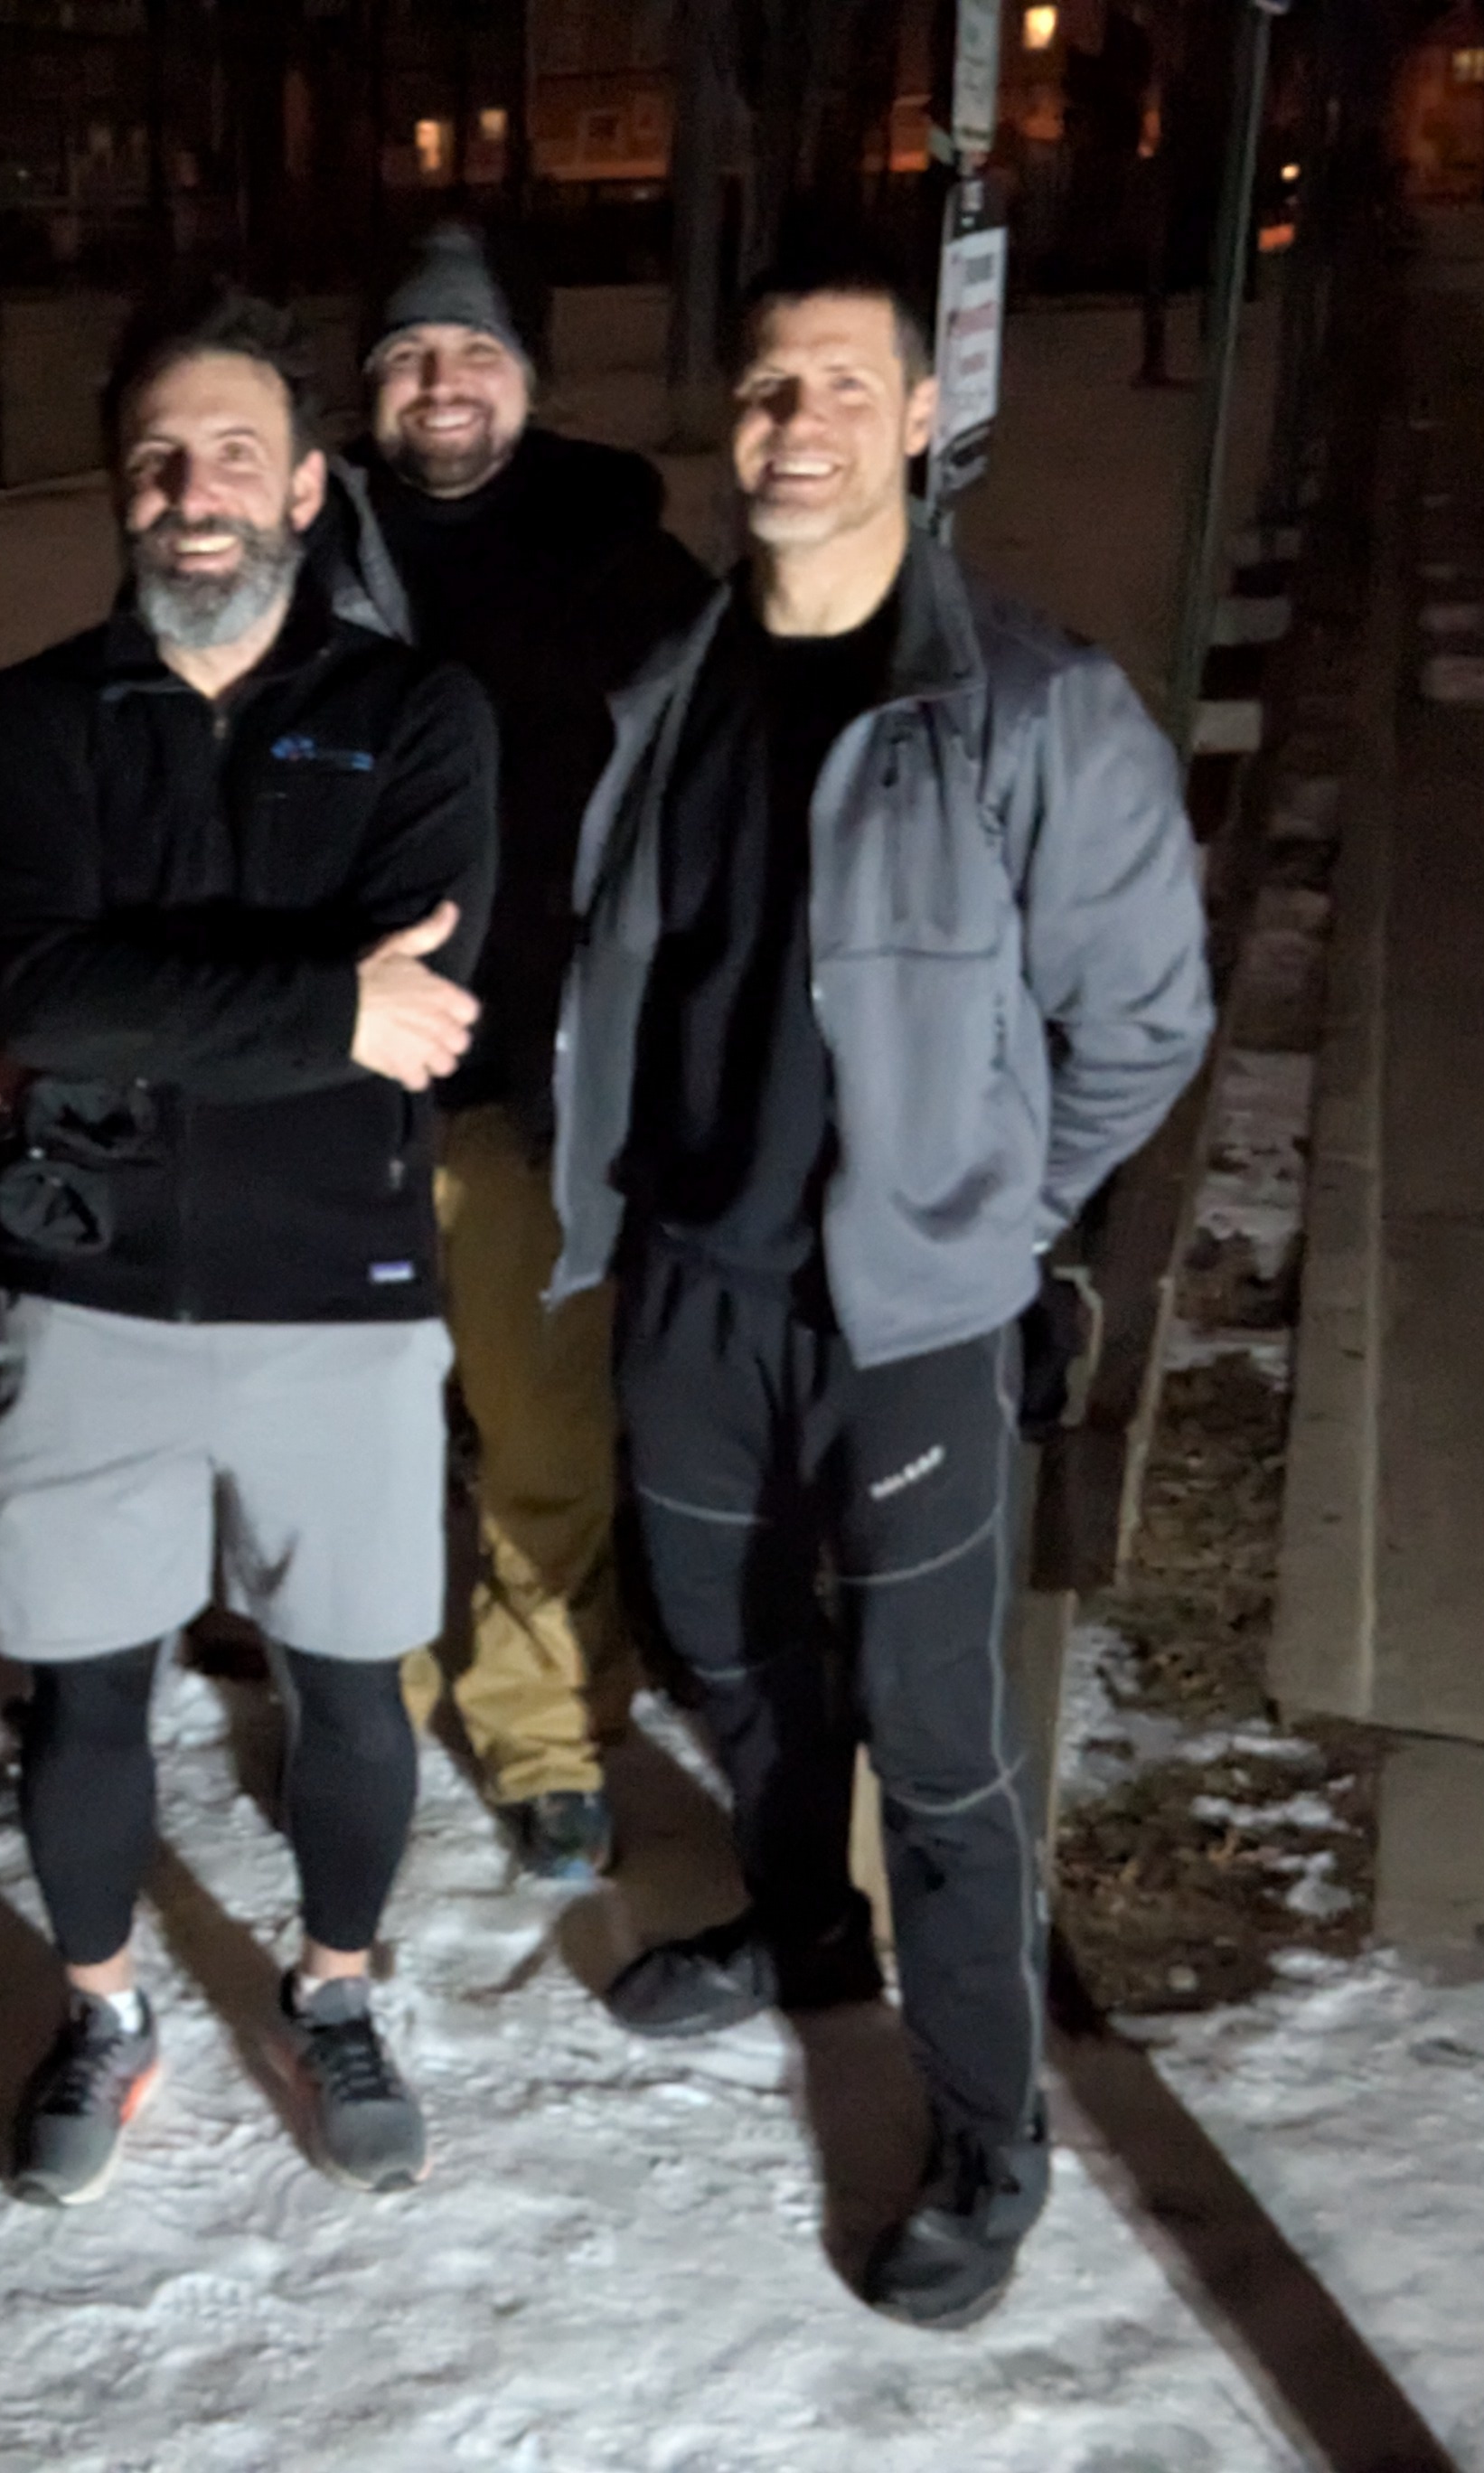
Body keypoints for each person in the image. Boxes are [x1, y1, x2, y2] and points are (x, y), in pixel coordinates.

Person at [554, 242, 1212, 2327]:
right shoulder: (668, 686)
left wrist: (992, 1214)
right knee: (731, 1652)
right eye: (770, 386)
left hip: (912, 1316)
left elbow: (1144, 1020)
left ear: (923, 420)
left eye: (845, 386)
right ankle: (800, 1927)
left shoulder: (1030, 705)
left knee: (939, 1750)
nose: (798, 424)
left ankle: (991, 2139)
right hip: (695, 1280)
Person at [0, 287, 496, 2205]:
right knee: (86, 1693)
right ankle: (102, 2009)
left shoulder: (415, 718)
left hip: (339, 1297)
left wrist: (123, 1005)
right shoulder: (28, 721)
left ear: (308, 487)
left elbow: (425, 1008)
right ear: (120, 488)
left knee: (347, 1688)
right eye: (158, 458)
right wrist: (317, 1005)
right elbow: (35, 986)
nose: (195, 492)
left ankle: (334, 1989)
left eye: (236, 454)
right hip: (78, 1288)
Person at [331, 223, 711, 1884]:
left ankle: (545, 1729)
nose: (441, 383)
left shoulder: (624, 565)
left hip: (536, 1086)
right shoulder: (301, 543)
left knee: (545, 1435)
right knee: (355, 1430)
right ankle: (372, 1690)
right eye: (408, 352)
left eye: (474, 350)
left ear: (529, 378)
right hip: (333, 1085)